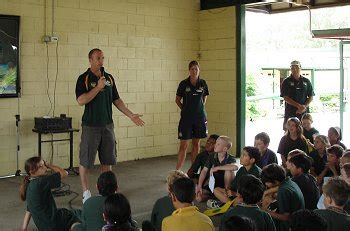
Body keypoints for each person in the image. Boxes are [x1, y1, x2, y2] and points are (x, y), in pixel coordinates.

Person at [75, 48, 145, 203]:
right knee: (85, 161)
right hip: (90, 126)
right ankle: (86, 192)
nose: (101, 61)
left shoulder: (109, 78)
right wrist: (98, 88)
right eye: (98, 58)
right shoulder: (84, 78)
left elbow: (117, 100)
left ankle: (106, 192)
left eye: (103, 58)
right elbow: (81, 100)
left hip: (107, 126)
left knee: (107, 160)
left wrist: (131, 114)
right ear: (90, 59)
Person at [20, 157, 80, 231]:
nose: (45, 167)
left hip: (44, 227)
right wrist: (49, 165)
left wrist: (24, 228)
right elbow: (64, 173)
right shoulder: (41, 182)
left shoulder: (29, 184)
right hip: (53, 224)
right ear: (32, 171)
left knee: (69, 212)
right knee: (73, 218)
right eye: (42, 166)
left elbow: (29, 208)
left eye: (45, 165)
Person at [175, 60, 209, 170]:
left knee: (196, 144)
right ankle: (178, 170)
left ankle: (193, 170)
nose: (194, 71)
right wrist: (185, 110)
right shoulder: (183, 84)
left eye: (196, 69)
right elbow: (177, 100)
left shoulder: (203, 83)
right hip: (186, 119)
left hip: (199, 118)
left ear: (199, 70)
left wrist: (199, 110)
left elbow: (204, 99)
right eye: (192, 69)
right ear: (189, 70)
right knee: (183, 145)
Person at [261, 164, 305, 231]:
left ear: (275, 181)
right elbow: (278, 187)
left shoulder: (283, 191)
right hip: (300, 217)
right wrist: (266, 192)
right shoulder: (290, 181)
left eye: (266, 182)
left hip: (290, 225)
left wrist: (265, 211)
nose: (265, 184)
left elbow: (286, 217)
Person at [196, 136, 237, 203]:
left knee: (228, 170)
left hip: (225, 186)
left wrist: (217, 168)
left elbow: (235, 167)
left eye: (218, 144)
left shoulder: (230, 158)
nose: (215, 145)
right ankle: (215, 196)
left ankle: (226, 194)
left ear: (224, 149)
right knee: (198, 198)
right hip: (214, 184)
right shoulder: (212, 156)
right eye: (216, 143)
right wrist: (199, 185)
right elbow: (204, 171)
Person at [280, 60, 314, 130]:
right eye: (292, 68)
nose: (294, 69)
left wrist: (304, 106)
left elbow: (311, 96)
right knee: (289, 132)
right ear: (290, 69)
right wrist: (299, 106)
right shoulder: (286, 81)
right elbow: (285, 97)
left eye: (297, 67)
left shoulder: (306, 81)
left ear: (300, 68)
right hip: (290, 112)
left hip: (304, 112)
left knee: (305, 131)